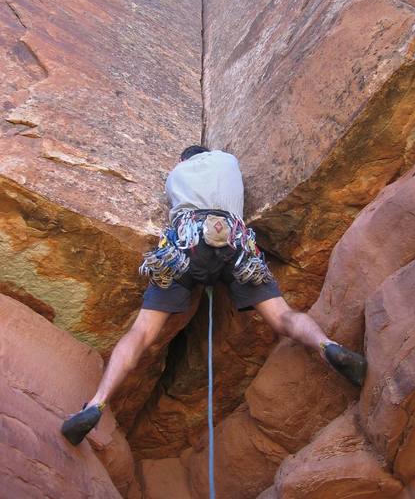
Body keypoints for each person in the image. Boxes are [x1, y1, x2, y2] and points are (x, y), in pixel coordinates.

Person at [61, 146, 366, 445]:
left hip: (184, 247)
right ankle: (328, 346)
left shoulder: (176, 173)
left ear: (183, 160)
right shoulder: (229, 161)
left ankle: (97, 403)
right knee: (283, 316)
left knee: (141, 333)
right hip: (235, 246)